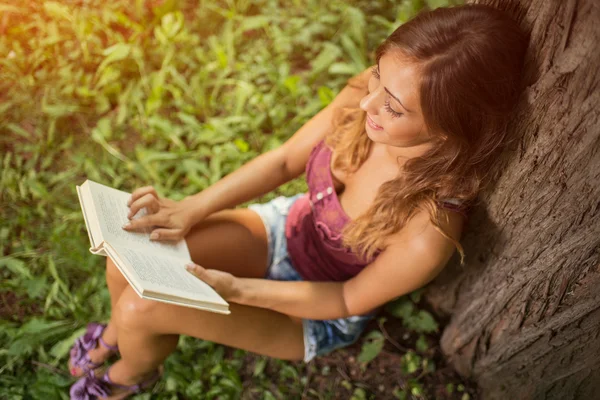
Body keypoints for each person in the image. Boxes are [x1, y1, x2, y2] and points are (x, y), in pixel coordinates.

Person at [68, 2, 529, 398]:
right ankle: (118, 335)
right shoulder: (368, 97)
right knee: (126, 255)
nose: (367, 104)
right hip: (282, 230)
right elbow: (284, 160)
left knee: (140, 306)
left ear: (450, 126)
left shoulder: (430, 228)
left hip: (313, 308)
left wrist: (236, 290)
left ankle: (129, 375)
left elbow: (347, 298)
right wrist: (192, 207)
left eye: (393, 106)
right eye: (376, 76)